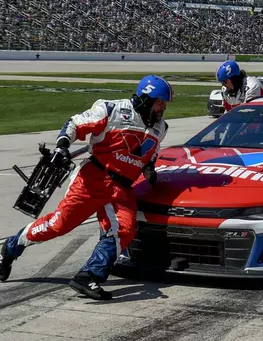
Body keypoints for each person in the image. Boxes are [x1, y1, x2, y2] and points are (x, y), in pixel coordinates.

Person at [0, 75, 172, 300]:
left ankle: (89, 275)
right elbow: (75, 124)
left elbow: (151, 152)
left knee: (124, 229)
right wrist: (62, 147)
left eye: (165, 103)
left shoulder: (161, 127)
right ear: (145, 99)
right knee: (59, 225)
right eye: (160, 102)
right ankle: (12, 247)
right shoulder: (111, 110)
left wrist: (149, 168)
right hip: (93, 179)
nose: (163, 107)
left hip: (121, 189)